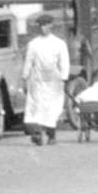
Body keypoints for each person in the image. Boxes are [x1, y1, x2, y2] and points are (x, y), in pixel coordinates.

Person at [22, 12, 74, 144]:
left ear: (51, 26)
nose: (43, 28)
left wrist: (64, 77)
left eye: (45, 25)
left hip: (53, 82)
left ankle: (51, 136)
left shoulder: (59, 43)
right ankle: (37, 134)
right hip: (37, 80)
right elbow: (28, 62)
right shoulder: (33, 44)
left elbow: (64, 62)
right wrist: (25, 76)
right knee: (37, 106)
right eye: (40, 25)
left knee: (51, 109)